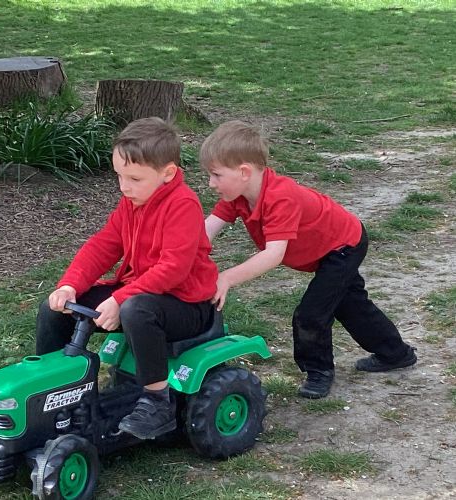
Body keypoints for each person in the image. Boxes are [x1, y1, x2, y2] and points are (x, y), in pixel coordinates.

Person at [201, 120, 416, 399]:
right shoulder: (238, 195)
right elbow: (206, 231)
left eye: (216, 175)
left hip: (343, 246)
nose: (211, 183)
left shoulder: (280, 198)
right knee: (351, 305)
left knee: (311, 314)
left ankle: (319, 372)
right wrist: (180, 254)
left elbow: (273, 255)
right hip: (326, 250)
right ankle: (396, 354)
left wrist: (227, 278)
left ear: (244, 172)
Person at [36, 117, 218, 439]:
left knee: (136, 309)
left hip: (186, 304)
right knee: (56, 309)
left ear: (168, 174)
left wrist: (120, 298)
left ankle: (157, 402)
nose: (124, 186)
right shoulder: (132, 202)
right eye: (119, 176)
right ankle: (52, 388)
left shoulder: (183, 205)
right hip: (142, 293)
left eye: (134, 178)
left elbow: (173, 268)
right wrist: (70, 285)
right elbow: (104, 245)